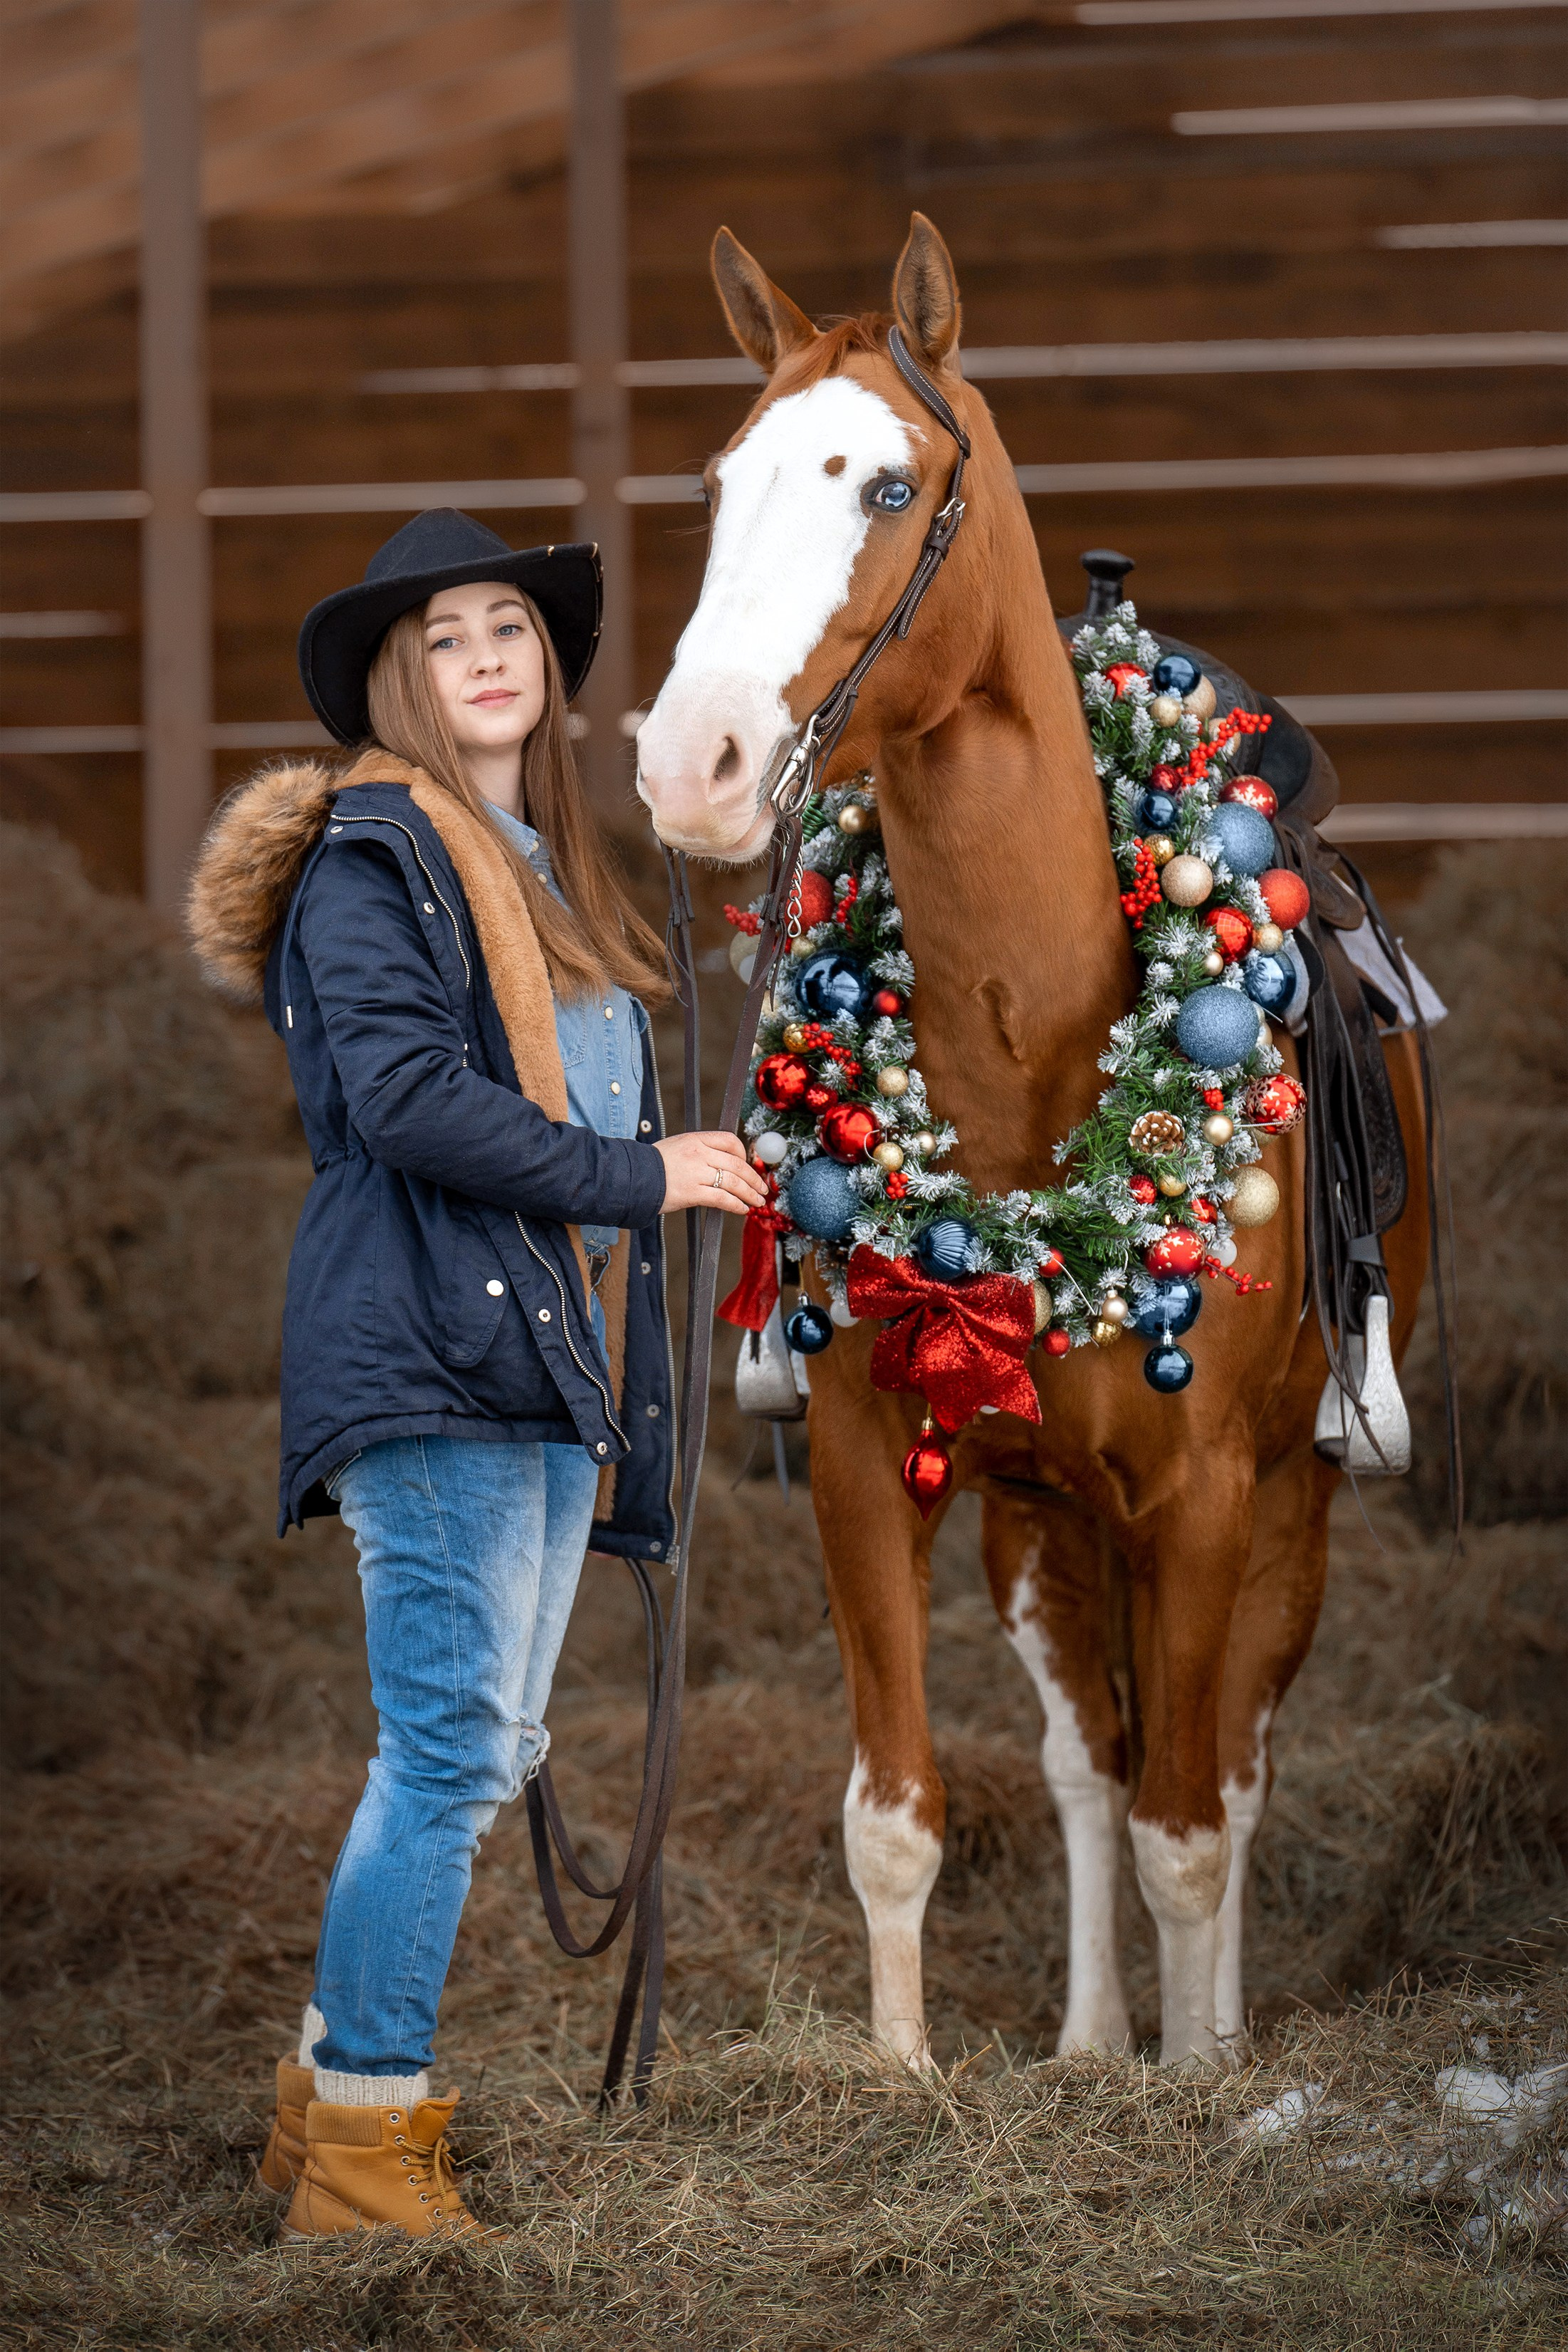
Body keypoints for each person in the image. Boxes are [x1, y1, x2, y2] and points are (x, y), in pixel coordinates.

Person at [187, 509, 764, 2240]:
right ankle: (365, 2153)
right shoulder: (378, 856)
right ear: (396, 677)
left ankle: (328, 2118)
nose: (489, 652)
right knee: (443, 1756)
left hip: (530, 1361)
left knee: (481, 1746)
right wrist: (644, 1174)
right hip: (430, 1354)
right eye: (444, 635)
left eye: (509, 621)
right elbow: (410, 1105)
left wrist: (654, 1177)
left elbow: (566, 1118)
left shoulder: (534, 880)